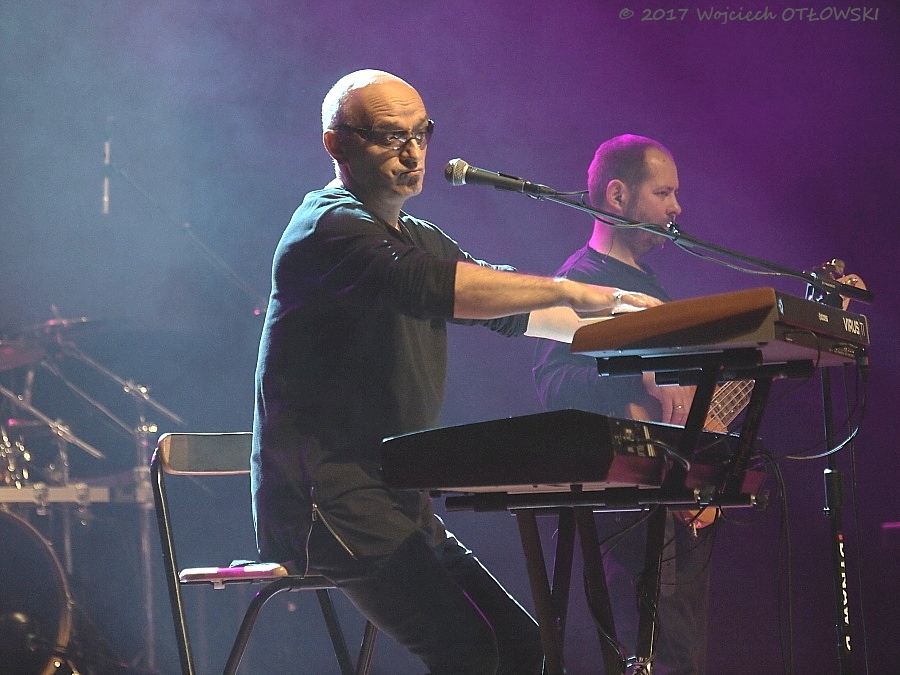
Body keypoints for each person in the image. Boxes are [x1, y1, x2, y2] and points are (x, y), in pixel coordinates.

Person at [250, 70, 661, 675]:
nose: (412, 153)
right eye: (390, 136)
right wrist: (575, 288)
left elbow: (516, 310)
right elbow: (436, 286)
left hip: (395, 497)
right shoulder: (328, 228)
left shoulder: (416, 236)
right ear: (336, 145)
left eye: (421, 133)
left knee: (521, 645)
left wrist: (645, 332)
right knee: (466, 651)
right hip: (327, 501)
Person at [532, 134, 712, 675]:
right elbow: (553, 382)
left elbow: (679, 399)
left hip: (668, 493)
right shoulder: (581, 282)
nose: (677, 208)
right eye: (663, 193)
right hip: (625, 506)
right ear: (617, 196)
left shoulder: (652, 286)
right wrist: (639, 375)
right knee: (658, 651)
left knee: (682, 651)